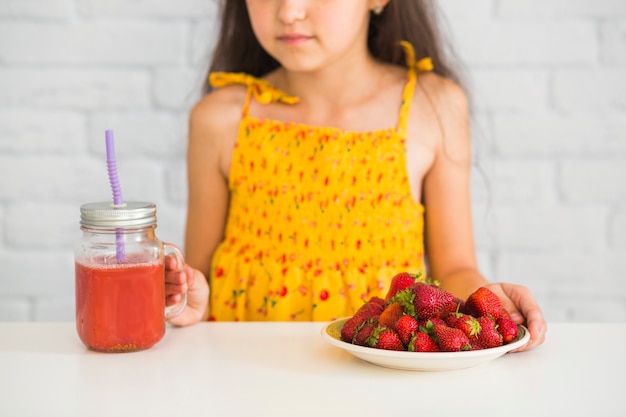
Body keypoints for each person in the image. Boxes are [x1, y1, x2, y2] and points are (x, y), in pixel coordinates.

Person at [165, 0, 546, 351]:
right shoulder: (218, 120)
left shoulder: (433, 107)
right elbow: (199, 283)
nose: (289, 11)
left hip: (379, 374)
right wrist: (185, 295)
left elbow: (454, 269)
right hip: (245, 370)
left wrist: (491, 303)